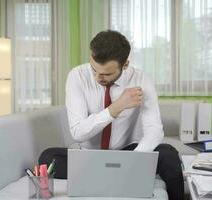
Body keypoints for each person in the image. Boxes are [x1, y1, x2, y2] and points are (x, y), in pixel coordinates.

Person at [65, 30, 184, 200]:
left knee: (169, 155)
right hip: (89, 155)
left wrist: (131, 162)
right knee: (47, 156)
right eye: (94, 69)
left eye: (106, 74)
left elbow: (154, 130)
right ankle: (107, 173)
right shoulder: (77, 76)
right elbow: (78, 132)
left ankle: (112, 173)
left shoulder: (141, 79)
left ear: (125, 64)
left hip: (127, 152)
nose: (98, 77)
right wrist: (117, 107)